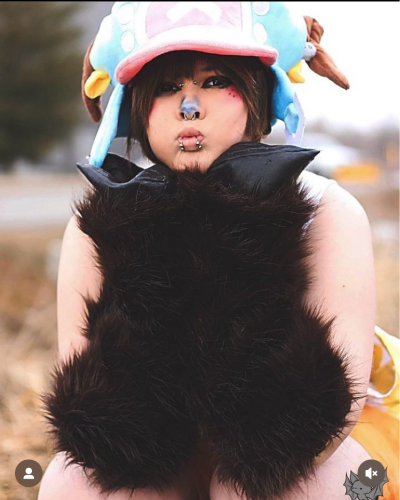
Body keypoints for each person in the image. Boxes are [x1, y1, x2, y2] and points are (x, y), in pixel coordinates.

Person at [38, 2, 399, 500]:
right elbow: (89, 398)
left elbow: (336, 403)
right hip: (162, 454)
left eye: (214, 81)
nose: (190, 107)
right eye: (166, 87)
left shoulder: (324, 210)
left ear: (257, 96)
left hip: (300, 450)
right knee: (71, 483)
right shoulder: (101, 222)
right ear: (136, 108)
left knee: (277, 488)